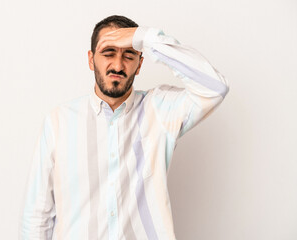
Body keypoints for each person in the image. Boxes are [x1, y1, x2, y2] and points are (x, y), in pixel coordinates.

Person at [19, 15, 229, 240]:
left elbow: (215, 87)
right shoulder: (58, 122)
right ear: (91, 60)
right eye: (108, 53)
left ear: (139, 64)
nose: (118, 65)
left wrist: (144, 37)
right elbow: (37, 216)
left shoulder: (160, 110)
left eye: (128, 56)